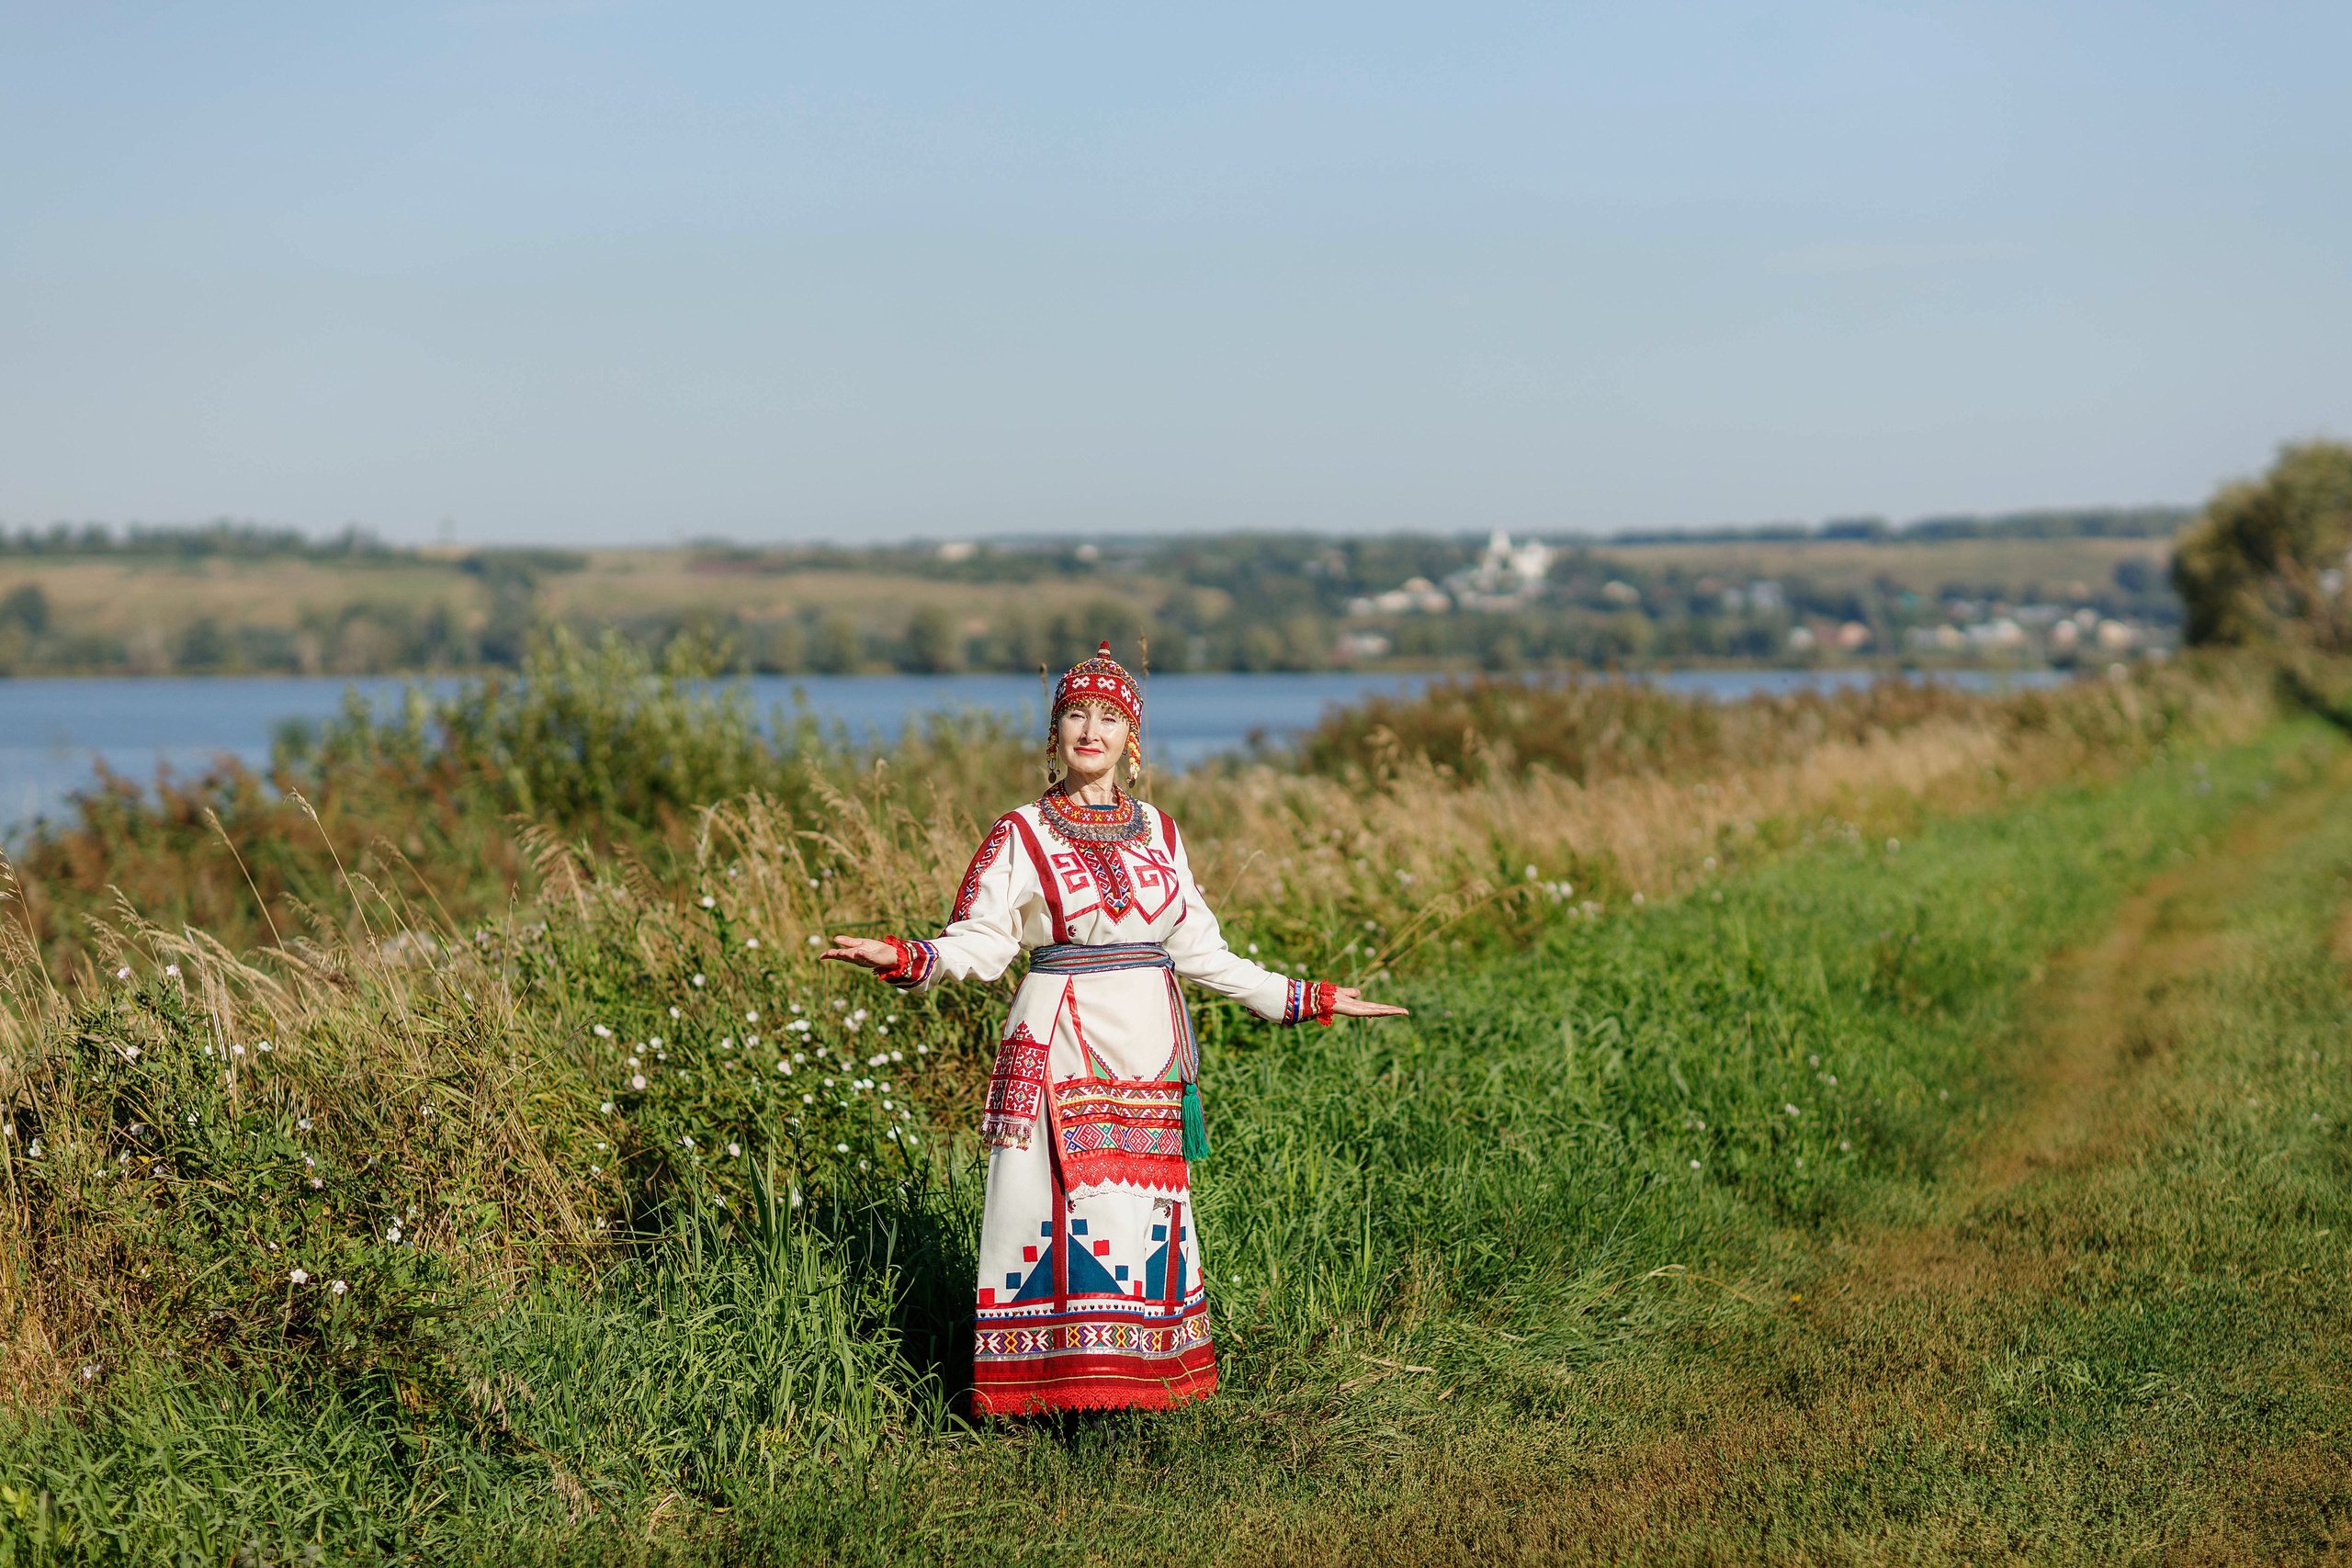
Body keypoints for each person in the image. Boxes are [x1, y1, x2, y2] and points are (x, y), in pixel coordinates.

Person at [822, 642, 1407, 1415]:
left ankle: (1135, 1394)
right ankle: (1050, 1399)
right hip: (1060, 1040)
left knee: (1138, 1218)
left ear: (1132, 738)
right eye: (1073, 713)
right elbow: (985, 942)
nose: (1088, 729)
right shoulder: (1021, 832)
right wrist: (907, 954)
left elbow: (1203, 952)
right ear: (1054, 732)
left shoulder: (1161, 831)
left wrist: (1309, 997)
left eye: (1107, 716)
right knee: (1060, 1212)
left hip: (1150, 1049)